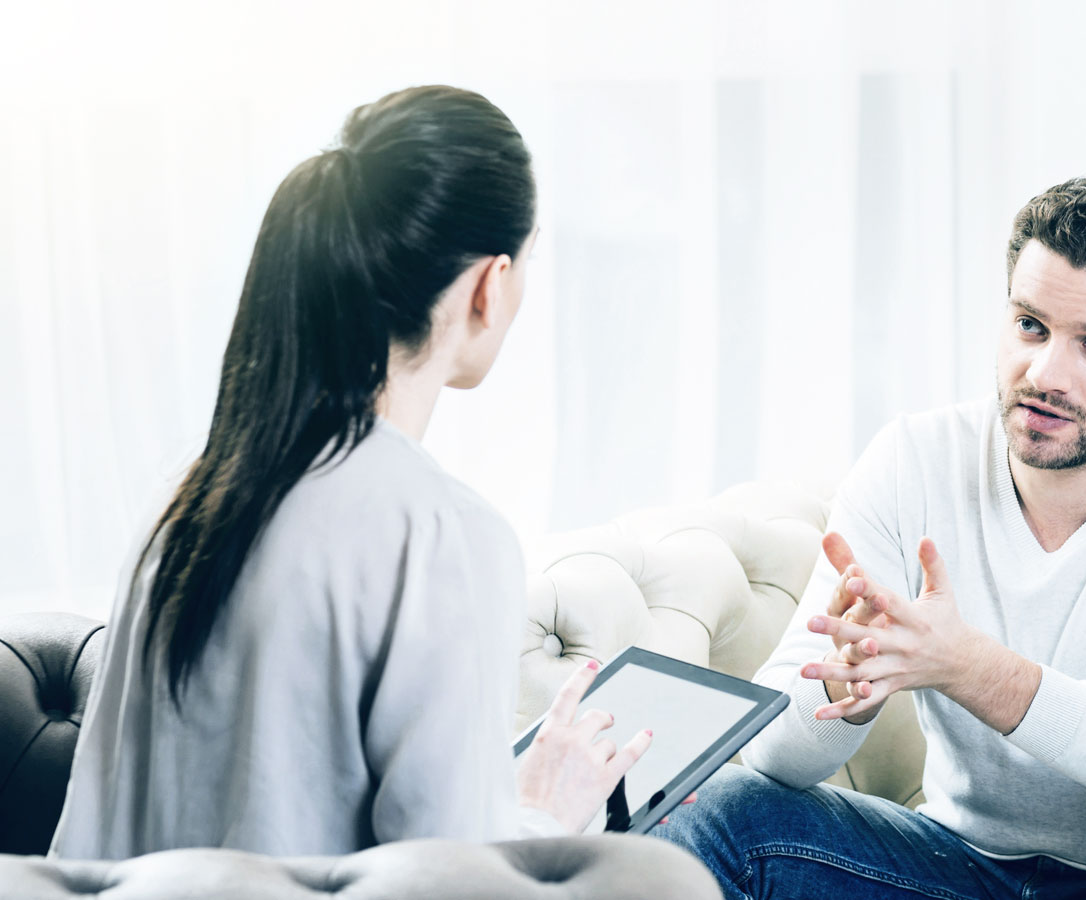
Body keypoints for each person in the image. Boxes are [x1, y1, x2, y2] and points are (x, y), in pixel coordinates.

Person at [656, 175, 1086, 899]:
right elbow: (774, 755)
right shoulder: (914, 460)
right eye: (1031, 326)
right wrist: (846, 681)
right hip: (958, 868)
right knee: (716, 814)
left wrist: (973, 669)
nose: (1045, 372)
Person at [50, 85, 650, 859]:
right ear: (489, 286)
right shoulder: (442, 533)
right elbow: (450, 881)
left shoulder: (186, 495)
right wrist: (546, 810)